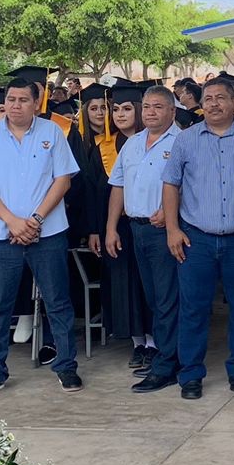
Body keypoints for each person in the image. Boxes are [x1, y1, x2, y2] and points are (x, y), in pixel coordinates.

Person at [0, 77, 83, 399]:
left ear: (36, 103)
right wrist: (12, 221)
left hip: (47, 232)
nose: (15, 105)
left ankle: (66, 366)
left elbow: (63, 181)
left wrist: (35, 220)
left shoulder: (52, 133)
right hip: (1, 234)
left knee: (58, 301)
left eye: (23, 100)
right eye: (11, 99)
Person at [162, 75, 234, 399]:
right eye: (208, 98)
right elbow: (171, 184)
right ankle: (191, 374)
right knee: (193, 309)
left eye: (221, 97)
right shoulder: (186, 139)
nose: (214, 104)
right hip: (196, 239)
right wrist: (172, 229)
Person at [107, 86, 181, 393]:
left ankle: (168, 364)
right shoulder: (133, 143)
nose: (151, 112)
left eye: (158, 107)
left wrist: (169, 213)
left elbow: (190, 185)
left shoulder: (181, 142)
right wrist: (111, 227)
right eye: (147, 106)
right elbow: (118, 186)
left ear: (172, 111)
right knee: (152, 298)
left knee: (167, 299)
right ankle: (165, 355)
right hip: (135, 229)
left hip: (164, 230)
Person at [89, 81, 154, 372]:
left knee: (148, 284)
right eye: (115, 109)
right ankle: (138, 342)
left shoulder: (153, 141)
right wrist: (97, 229)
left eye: (127, 109)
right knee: (123, 285)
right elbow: (93, 191)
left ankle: (154, 342)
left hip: (148, 224)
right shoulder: (101, 148)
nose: (119, 114)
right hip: (115, 227)